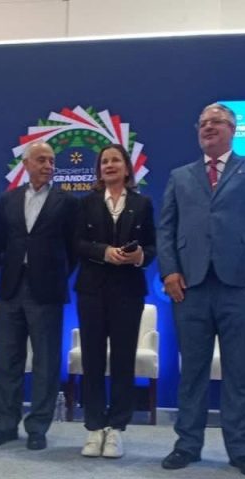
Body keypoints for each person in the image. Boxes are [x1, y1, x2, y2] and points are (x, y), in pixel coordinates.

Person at [157, 103, 245, 479]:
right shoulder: (180, 175)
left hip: (239, 285)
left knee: (239, 371)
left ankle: (241, 450)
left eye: (217, 122)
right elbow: (166, 228)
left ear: (233, 129)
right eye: (203, 123)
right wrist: (169, 272)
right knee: (192, 371)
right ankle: (187, 444)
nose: (209, 127)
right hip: (190, 286)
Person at [0, 141, 78, 451]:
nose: (48, 165)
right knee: (7, 360)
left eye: (51, 160)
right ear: (26, 164)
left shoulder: (67, 202)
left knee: (45, 362)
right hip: (12, 288)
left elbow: (73, 249)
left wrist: (54, 275)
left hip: (46, 291)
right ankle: (4, 425)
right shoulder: (7, 200)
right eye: (41, 160)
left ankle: (38, 427)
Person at [73, 144, 156, 458]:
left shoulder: (142, 203)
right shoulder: (86, 203)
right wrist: (104, 252)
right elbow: (77, 243)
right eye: (104, 161)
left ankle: (117, 428)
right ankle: (94, 427)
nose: (109, 165)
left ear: (126, 167)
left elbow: (153, 245)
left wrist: (139, 256)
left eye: (115, 160)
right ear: (99, 169)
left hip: (128, 291)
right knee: (92, 359)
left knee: (123, 360)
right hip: (92, 290)